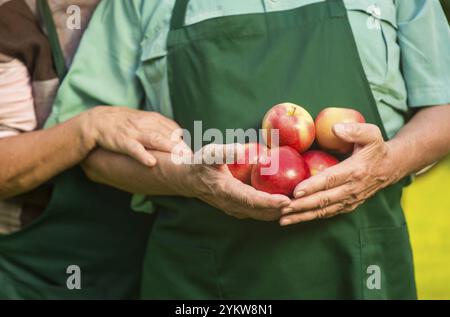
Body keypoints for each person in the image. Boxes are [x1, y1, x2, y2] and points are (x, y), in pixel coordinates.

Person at [16, 0, 450, 299]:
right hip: (200, 284)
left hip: (363, 272)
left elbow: (444, 106)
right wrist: (186, 178)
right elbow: (91, 151)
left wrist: (387, 164)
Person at [0, 0, 181, 299]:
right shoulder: (12, 18)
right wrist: (89, 128)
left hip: (146, 260)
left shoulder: (158, 9)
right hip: (36, 272)